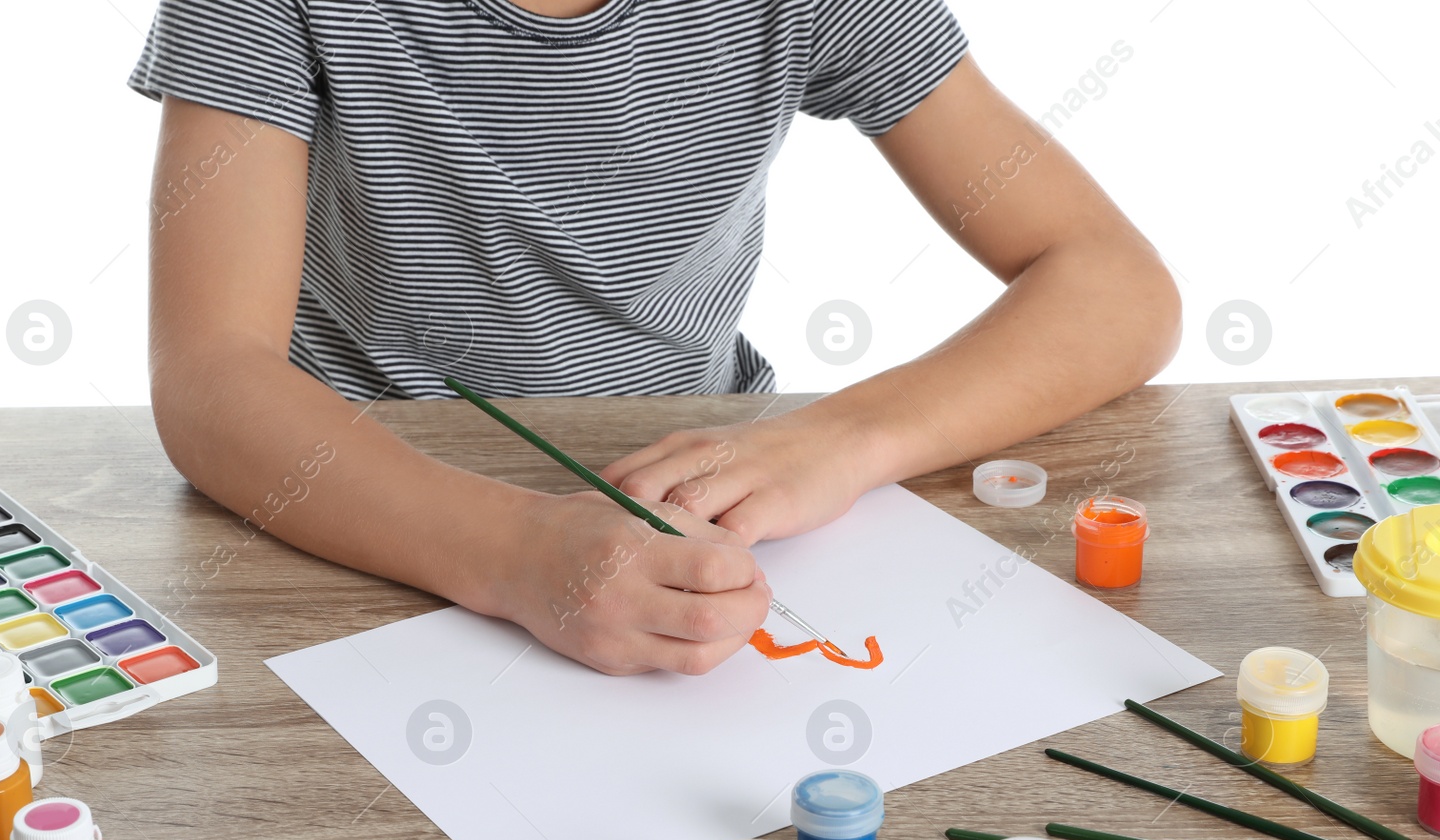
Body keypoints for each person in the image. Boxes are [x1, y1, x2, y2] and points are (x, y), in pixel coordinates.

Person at [130, 0, 1181, 676]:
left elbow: (1115, 286)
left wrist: (842, 438)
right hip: (351, 504)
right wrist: (511, 550)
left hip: (698, 492)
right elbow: (212, 379)